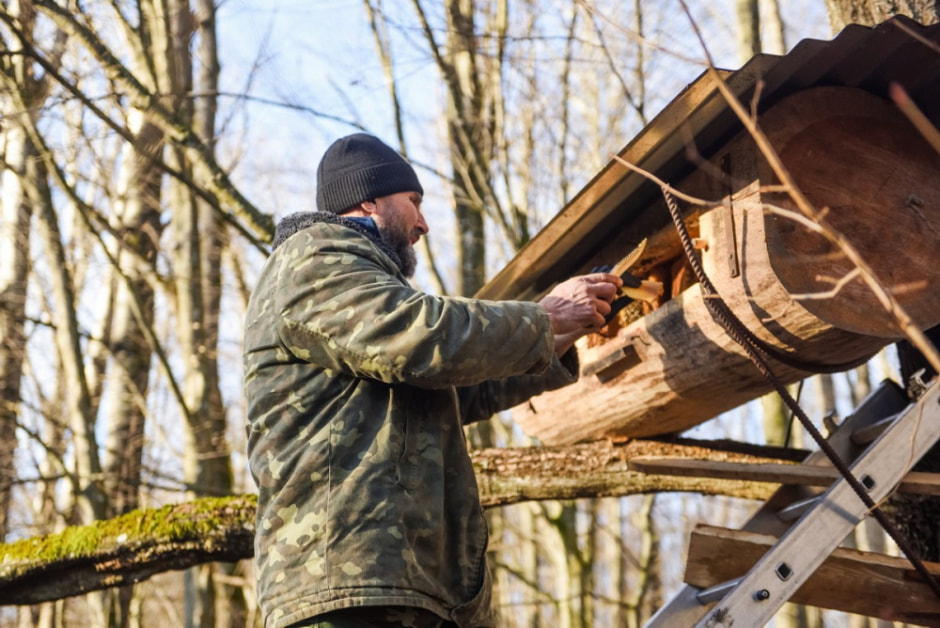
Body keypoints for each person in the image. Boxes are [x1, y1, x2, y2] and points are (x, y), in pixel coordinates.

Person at [244, 133, 621, 628]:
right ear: (369, 200)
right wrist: (543, 318)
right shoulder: (313, 259)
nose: (422, 223)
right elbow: (419, 336)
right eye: (414, 201)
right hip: (347, 586)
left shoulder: (358, 289)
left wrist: (555, 340)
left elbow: (452, 386)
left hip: (403, 587)